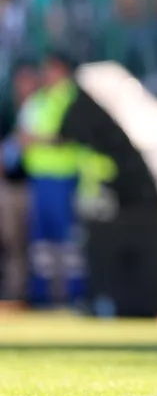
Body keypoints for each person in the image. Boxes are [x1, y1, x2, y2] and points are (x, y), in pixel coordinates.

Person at [19, 52, 86, 308]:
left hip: (64, 177)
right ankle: (43, 295)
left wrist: (39, 140)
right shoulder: (39, 100)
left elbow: (69, 136)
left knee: (68, 239)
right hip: (40, 178)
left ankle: (75, 294)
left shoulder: (71, 98)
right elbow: (24, 134)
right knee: (42, 242)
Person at [0, 63, 38, 303]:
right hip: (8, 186)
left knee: (29, 244)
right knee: (10, 243)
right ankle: (14, 292)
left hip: (32, 184)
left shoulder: (40, 108)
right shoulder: (8, 110)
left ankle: (31, 293)